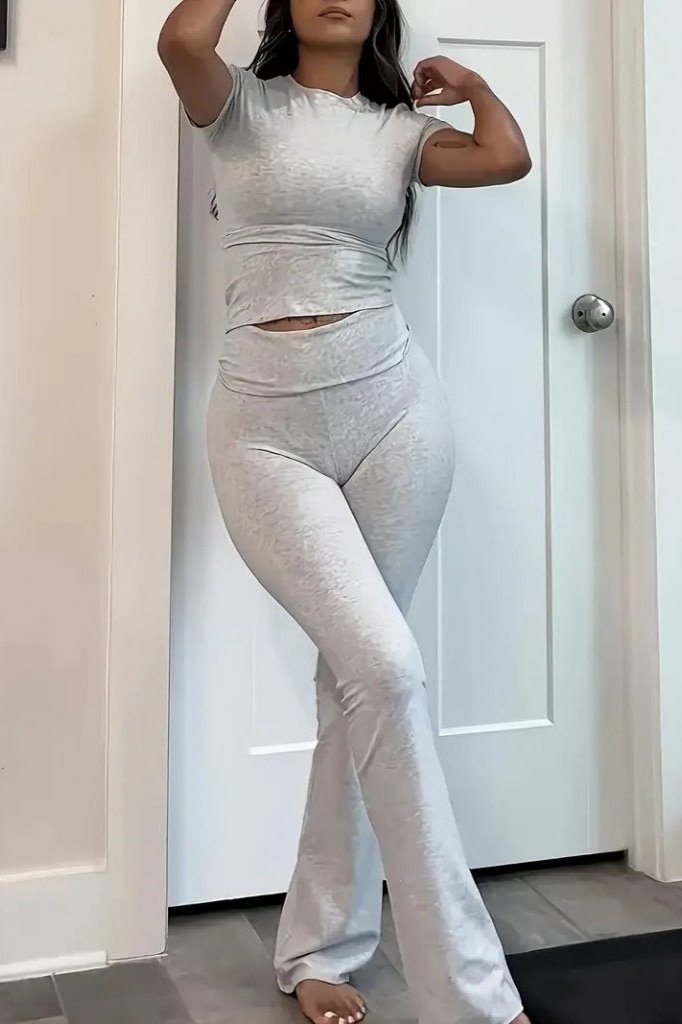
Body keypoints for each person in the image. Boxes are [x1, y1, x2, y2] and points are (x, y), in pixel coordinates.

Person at [158, 2, 532, 1023]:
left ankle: (321, 946)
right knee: (385, 671)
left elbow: (505, 158)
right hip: (265, 430)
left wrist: (472, 85)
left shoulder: (400, 130)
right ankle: (473, 997)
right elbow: (181, 40)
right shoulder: (241, 105)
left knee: (359, 683)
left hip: (396, 415)